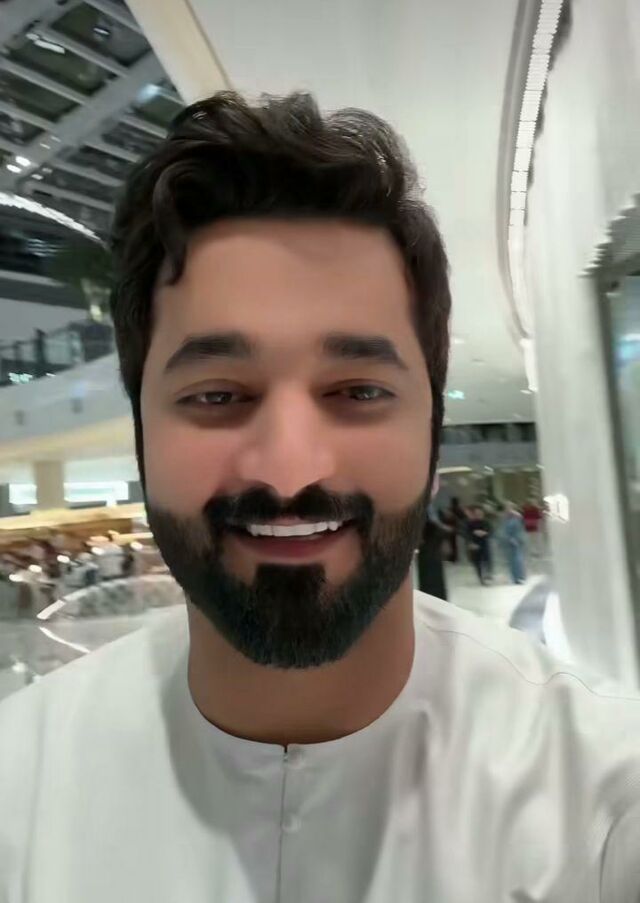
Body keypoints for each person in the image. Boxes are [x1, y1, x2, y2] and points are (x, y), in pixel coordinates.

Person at [0, 91, 639, 902]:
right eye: (218, 395)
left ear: (433, 425)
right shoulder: (20, 785)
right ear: (141, 427)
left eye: (358, 391)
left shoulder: (607, 807)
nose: (289, 469)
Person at [499, 501, 527, 585]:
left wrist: (517, 539)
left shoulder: (517, 516)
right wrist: (508, 538)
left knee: (518, 559)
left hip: (516, 540)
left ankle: (520, 576)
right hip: (508, 541)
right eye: (507, 507)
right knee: (511, 560)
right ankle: (515, 578)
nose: (508, 509)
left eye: (510, 507)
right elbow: (503, 530)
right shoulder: (504, 518)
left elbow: (520, 528)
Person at [465, 505, 493, 585]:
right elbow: (467, 534)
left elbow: (490, 531)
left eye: (480, 513)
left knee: (487, 560)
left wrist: (485, 533)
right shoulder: (470, 523)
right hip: (475, 544)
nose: (478, 514)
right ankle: (481, 578)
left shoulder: (486, 522)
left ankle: (487, 576)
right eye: (477, 513)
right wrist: (471, 542)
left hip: (484, 543)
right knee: (477, 562)